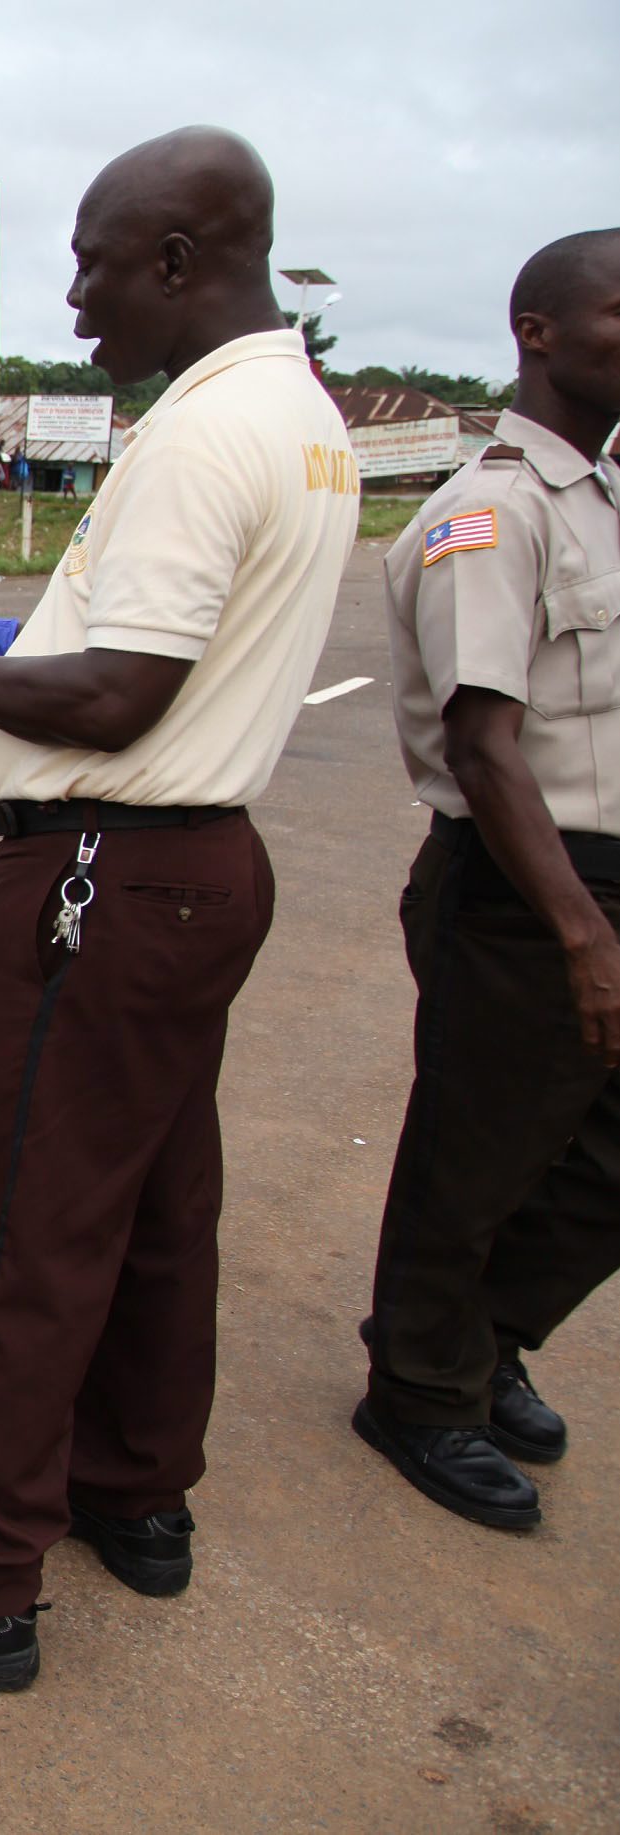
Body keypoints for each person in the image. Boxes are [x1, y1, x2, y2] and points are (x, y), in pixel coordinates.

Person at [0, 127, 360, 1690]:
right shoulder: (296, 415)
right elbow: (149, 635)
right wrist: (4, 628)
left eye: (96, 260)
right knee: (156, 1201)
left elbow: (120, 692)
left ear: (178, 258)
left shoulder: (195, 432)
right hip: (199, 868)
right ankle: (134, 1484)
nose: (75, 292)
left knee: (17, 1230)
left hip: (106, 876)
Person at [360, 227, 620, 1533]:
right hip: (525, 884)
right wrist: (575, 925)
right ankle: (417, 1389)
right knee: (477, 1152)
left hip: (594, 876)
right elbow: (482, 737)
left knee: (595, 1154)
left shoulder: (598, 499)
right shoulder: (492, 507)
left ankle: (486, 1338)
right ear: (538, 331)